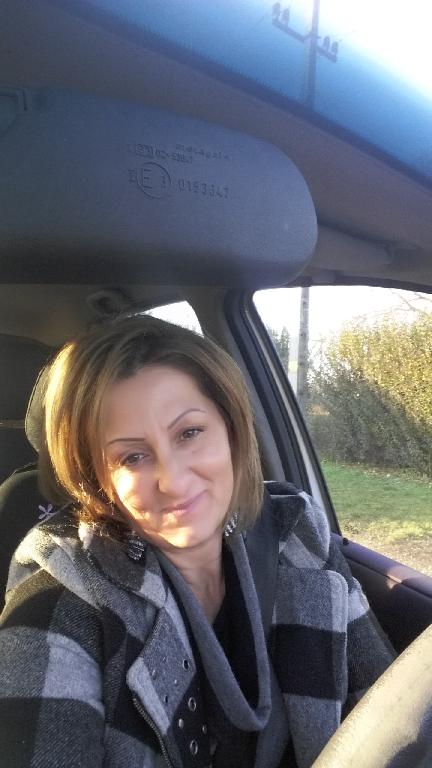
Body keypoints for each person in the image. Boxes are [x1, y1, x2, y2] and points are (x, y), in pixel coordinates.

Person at [0, 315, 395, 768]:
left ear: (231, 429)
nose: (173, 481)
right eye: (132, 456)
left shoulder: (295, 533)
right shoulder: (60, 605)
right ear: (99, 480)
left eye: (189, 433)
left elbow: (389, 715)